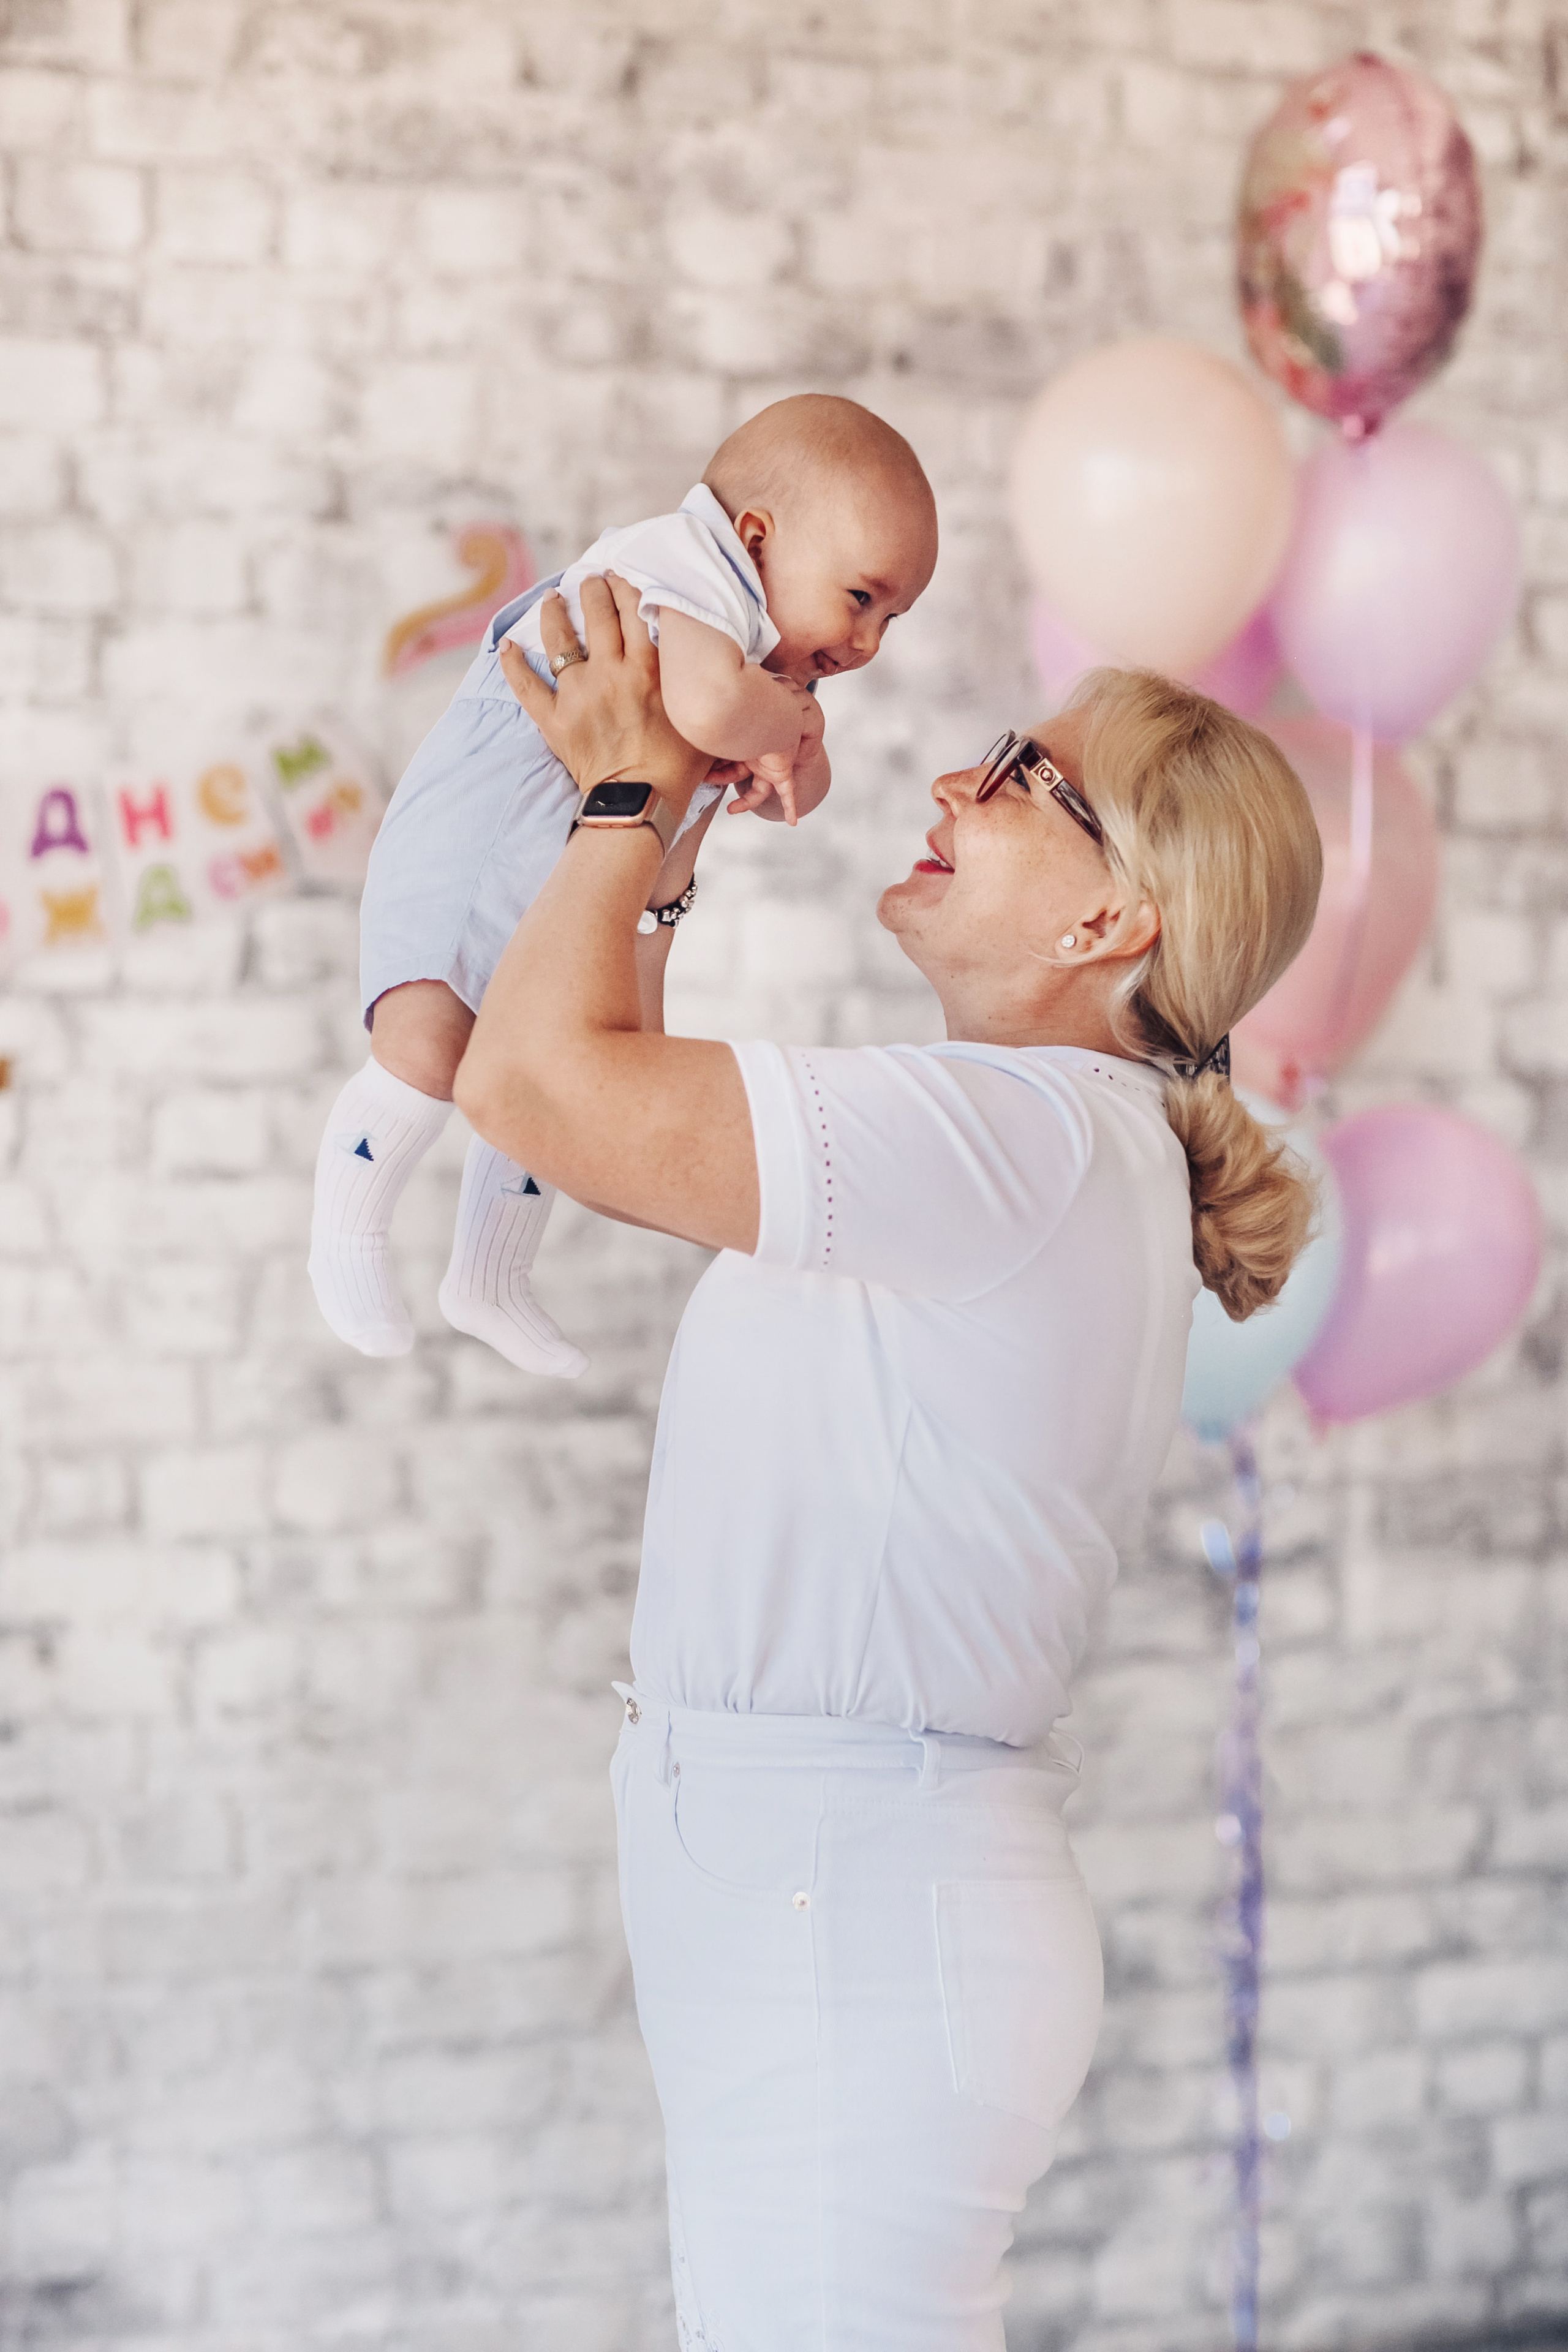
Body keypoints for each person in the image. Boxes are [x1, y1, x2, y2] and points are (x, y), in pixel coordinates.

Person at [455, 575, 1323, 2352]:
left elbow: (534, 1089)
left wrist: (633, 797)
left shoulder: (1017, 1138)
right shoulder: (1037, 1143)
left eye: (1020, 773)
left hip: (847, 1907)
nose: (949, 782)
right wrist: (668, 822)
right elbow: (597, 1064)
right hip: (832, 1892)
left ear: (1116, 919)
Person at [307, 394, 938, 1375]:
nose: (867, 645)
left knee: (541, 1079)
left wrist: (794, 756)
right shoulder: (682, 566)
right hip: (470, 847)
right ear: (758, 538)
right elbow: (707, 702)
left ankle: (489, 1275)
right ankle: (346, 1236)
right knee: (428, 1046)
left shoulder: (764, 654)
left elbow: (788, 774)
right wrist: (786, 731)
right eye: (863, 599)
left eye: (893, 619)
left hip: (557, 876)